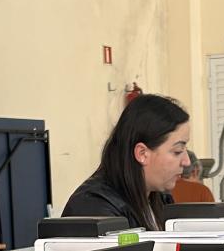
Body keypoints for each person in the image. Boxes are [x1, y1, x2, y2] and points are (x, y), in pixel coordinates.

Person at [62, 94, 190, 229]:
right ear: (142, 153)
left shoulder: (160, 200)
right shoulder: (95, 209)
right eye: (177, 151)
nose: (186, 161)